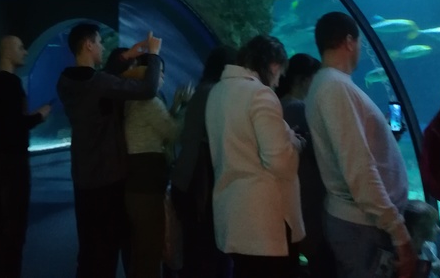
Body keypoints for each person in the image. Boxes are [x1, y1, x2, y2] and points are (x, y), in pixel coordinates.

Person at [305, 12, 416, 278]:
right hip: (363, 226)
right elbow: (358, 167)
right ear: (349, 41)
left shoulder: (329, 85)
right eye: (359, 43)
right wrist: (399, 232)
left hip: (362, 223)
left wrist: (384, 135)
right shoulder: (335, 88)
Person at [56, 22, 163, 278]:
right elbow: (147, 89)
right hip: (108, 178)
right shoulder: (100, 84)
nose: (103, 47)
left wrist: (127, 56)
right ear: (88, 45)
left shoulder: (65, 82)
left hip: (83, 176)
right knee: (107, 249)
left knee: (88, 248)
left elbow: (100, 79)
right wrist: (154, 55)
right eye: (99, 42)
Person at [205, 34, 305, 278]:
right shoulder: (260, 94)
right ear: (274, 66)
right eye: (279, 74)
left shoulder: (218, 91)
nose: (278, 82)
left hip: (232, 217)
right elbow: (279, 162)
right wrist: (295, 145)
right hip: (264, 223)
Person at [0, 35, 52, 278]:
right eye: (21, 47)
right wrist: (39, 116)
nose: (25, 51)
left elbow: (1, 123)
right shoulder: (10, 84)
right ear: (7, 51)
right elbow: (14, 126)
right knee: (15, 225)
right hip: (12, 162)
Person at [171, 45, 237, 278]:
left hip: (187, 180)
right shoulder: (215, 93)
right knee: (208, 252)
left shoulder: (203, 90)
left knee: (195, 251)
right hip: (201, 184)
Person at [123, 56, 192, 278]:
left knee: (141, 249)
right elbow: (173, 133)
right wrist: (187, 107)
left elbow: (158, 129)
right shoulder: (148, 101)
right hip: (147, 186)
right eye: (157, 70)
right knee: (150, 250)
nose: (161, 76)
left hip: (136, 184)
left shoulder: (133, 99)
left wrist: (175, 106)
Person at [277, 54, 336, 278]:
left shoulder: (278, 105)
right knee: (322, 262)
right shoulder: (300, 109)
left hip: (288, 198)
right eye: (315, 79)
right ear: (302, 80)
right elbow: (324, 151)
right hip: (308, 198)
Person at [404, 200, 440, 277]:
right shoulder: (402, 256)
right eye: (433, 225)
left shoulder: (430, 247)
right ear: (417, 229)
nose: (438, 229)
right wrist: (429, 268)